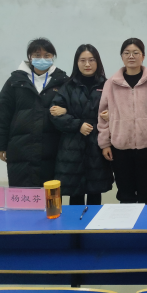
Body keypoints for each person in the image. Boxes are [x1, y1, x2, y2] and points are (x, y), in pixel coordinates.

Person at [0, 37, 69, 187]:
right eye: (37, 55)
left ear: (53, 57)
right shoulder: (15, 81)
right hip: (20, 149)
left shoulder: (62, 81)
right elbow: (1, 114)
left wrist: (65, 109)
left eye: (47, 55)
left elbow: (73, 107)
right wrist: (0, 145)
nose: (42, 59)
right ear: (30, 57)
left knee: (50, 195)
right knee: (22, 194)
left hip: (53, 147)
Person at [97, 38, 147, 204]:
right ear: (122, 56)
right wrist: (105, 144)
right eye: (126, 53)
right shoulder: (111, 83)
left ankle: (146, 220)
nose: (131, 56)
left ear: (143, 56)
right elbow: (102, 115)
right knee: (125, 193)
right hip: (120, 147)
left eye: (135, 53)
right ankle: (127, 221)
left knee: (146, 191)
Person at [49, 44, 113, 205]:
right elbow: (54, 115)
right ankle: (75, 223)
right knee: (75, 192)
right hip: (72, 147)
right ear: (76, 63)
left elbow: (119, 109)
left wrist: (112, 115)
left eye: (91, 60)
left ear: (98, 62)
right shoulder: (68, 86)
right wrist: (77, 125)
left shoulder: (107, 85)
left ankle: (95, 222)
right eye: (82, 60)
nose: (87, 64)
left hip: (97, 145)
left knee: (95, 192)